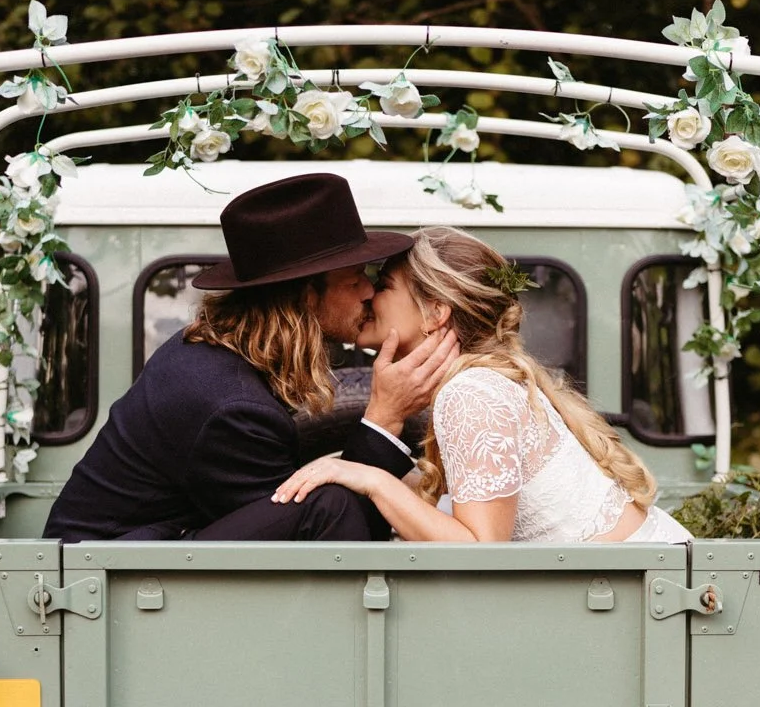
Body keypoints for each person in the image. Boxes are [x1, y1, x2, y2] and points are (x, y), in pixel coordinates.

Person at [45, 174, 456, 543]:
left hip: (148, 550)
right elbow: (319, 539)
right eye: (353, 281)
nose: (368, 293)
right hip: (107, 573)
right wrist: (384, 418)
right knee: (330, 503)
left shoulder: (224, 354)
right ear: (303, 297)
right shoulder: (230, 404)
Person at [272, 226, 691, 545]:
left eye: (383, 286)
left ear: (436, 312)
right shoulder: (487, 381)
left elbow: (481, 552)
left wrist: (370, 479)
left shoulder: (470, 393)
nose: (368, 295)